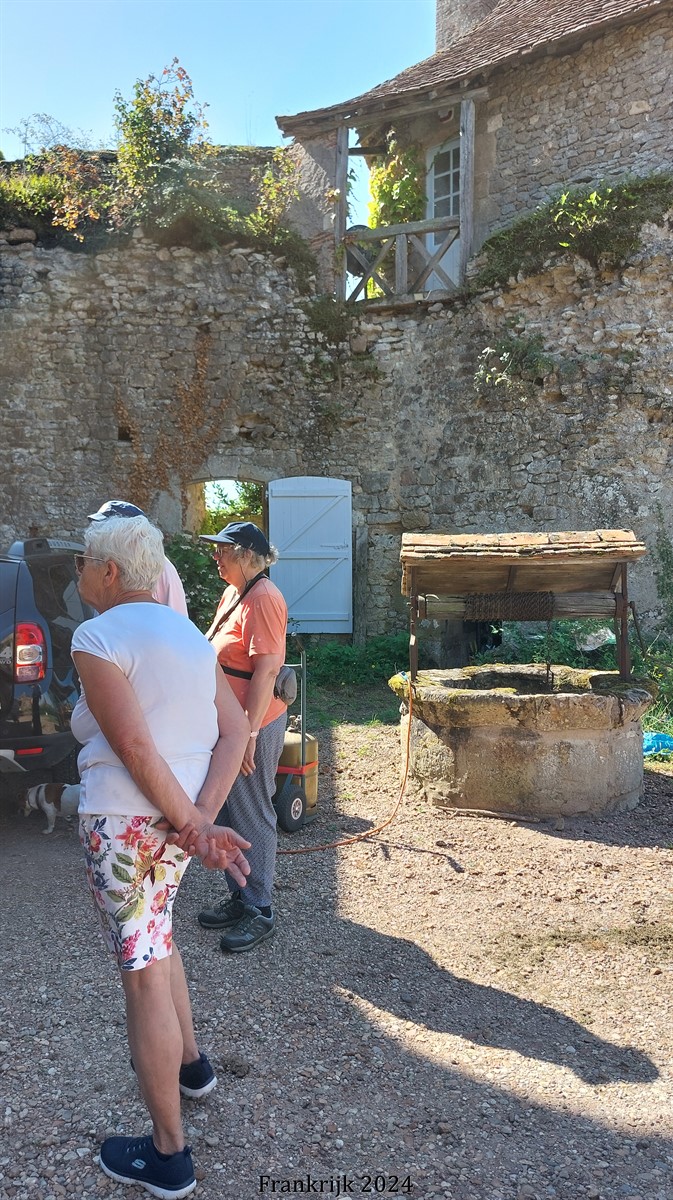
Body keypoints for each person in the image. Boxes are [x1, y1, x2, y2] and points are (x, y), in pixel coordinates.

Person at [71, 514, 251, 1198]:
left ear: (109, 571)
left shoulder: (97, 636)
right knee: (159, 938)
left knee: (143, 975)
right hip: (174, 829)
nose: (80, 573)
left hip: (124, 824)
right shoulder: (190, 637)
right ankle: (193, 1068)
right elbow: (235, 733)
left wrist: (195, 824)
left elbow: (133, 748)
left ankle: (169, 1154)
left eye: (84, 562)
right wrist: (198, 818)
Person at [196, 521, 288, 953]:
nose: (216, 556)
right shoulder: (235, 593)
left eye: (223, 550)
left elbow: (266, 671)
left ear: (247, 555)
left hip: (253, 725)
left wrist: (249, 733)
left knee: (252, 810)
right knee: (231, 811)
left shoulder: (264, 597)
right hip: (232, 725)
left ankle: (260, 909)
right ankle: (241, 897)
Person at [87, 500, 188, 615]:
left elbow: (176, 616)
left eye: (104, 527)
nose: (96, 532)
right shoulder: (113, 562)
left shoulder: (158, 566)